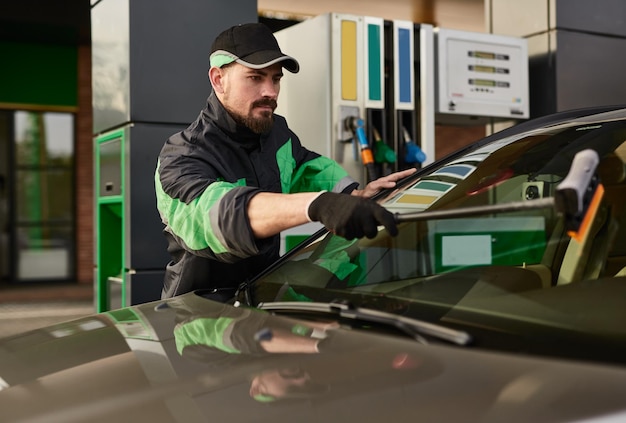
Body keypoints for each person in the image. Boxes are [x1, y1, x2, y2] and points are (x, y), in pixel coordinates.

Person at [155, 22, 416, 299]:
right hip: (195, 319)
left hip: (263, 308)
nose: (270, 91)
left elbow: (307, 167)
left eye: (275, 79)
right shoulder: (181, 155)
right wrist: (319, 204)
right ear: (218, 79)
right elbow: (216, 215)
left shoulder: (275, 133)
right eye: (255, 78)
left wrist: (353, 194)